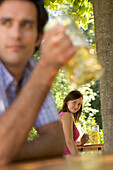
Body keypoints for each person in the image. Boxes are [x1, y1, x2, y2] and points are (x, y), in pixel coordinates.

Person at [0, 0, 76, 166]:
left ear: (38, 38)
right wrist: (46, 70)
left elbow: (56, 141)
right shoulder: (41, 71)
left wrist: (8, 150)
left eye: (26, 25)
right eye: (6, 23)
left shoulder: (33, 68)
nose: (16, 34)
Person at [59, 90, 89, 155]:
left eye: (79, 104)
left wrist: (80, 143)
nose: (76, 106)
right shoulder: (67, 116)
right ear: (67, 101)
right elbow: (69, 142)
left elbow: (64, 142)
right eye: (74, 102)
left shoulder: (62, 115)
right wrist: (77, 159)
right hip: (66, 156)